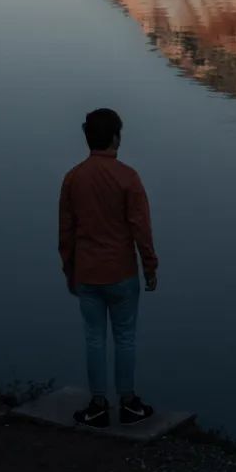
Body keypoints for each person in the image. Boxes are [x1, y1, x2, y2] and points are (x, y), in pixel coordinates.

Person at [58, 107, 159, 427]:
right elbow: (141, 228)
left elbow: (66, 230)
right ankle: (128, 403)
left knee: (94, 339)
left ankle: (98, 405)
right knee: (125, 338)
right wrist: (150, 266)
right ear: (115, 137)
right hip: (122, 273)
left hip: (87, 273)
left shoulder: (73, 178)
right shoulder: (128, 177)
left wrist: (68, 269)